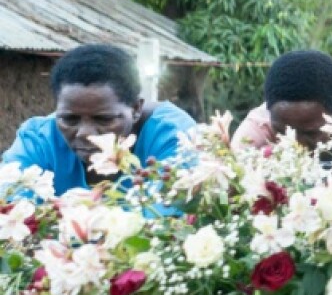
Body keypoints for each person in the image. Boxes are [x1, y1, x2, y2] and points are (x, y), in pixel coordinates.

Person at [2, 44, 196, 195]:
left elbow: (170, 219)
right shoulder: (38, 140)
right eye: (69, 119)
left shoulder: (176, 136)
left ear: (136, 109)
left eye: (104, 119)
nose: (85, 133)